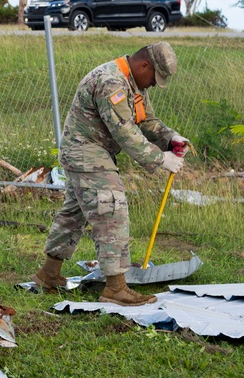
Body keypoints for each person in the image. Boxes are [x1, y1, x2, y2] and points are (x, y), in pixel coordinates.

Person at [30, 42, 192, 307]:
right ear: (144, 66)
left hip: (89, 152)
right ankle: (115, 288)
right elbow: (125, 132)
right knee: (112, 210)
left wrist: (170, 137)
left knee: (74, 213)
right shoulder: (112, 84)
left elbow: (145, 120)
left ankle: (48, 275)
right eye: (154, 78)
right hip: (87, 153)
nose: (153, 85)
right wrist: (161, 159)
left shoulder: (131, 81)